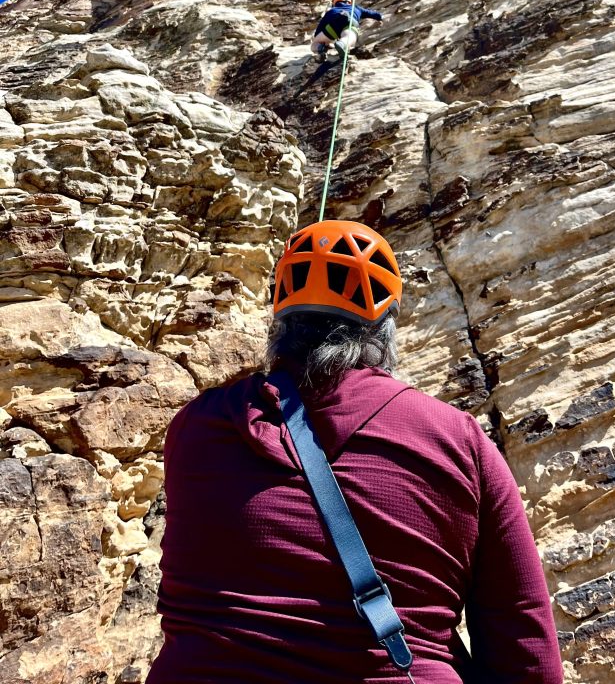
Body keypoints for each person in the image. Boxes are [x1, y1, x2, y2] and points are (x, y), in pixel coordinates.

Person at [147, 220, 563, 684]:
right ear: (385, 330)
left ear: (280, 324)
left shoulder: (197, 428)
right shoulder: (457, 438)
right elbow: (523, 643)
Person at [311, 0, 383, 62]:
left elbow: (320, 27)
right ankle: (343, 44)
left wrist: (319, 40)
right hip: (350, 21)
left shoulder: (332, 10)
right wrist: (380, 17)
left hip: (334, 25)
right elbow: (372, 14)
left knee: (314, 44)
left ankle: (320, 48)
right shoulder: (356, 8)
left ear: (335, 3)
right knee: (348, 36)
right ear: (349, 2)